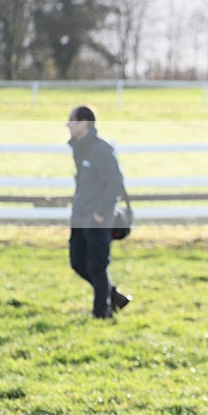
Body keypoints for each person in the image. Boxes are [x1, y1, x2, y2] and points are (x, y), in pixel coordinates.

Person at [67, 105, 131, 318]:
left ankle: (101, 314)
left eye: (72, 120)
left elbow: (115, 183)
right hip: (80, 216)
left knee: (96, 266)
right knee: (77, 262)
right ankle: (114, 298)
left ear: (85, 123)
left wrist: (101, 213)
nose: (68, 124)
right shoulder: (80, 148)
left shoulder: (101, 149)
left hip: (96, 218)